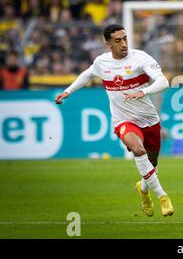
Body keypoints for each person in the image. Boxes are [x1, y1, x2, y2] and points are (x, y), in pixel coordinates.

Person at [55, 24, 174, 218]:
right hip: (123, 120)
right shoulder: (102, 63)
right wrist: (67, 91)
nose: (124, 44)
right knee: (138, 150)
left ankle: (143, 189)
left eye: (125, 38)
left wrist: (142, 91)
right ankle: (163, 196)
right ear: (108, 43)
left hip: (149, 119)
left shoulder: (140, 58)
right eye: (118, 40)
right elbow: (87, 75)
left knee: (152, 163)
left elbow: (163, 82)